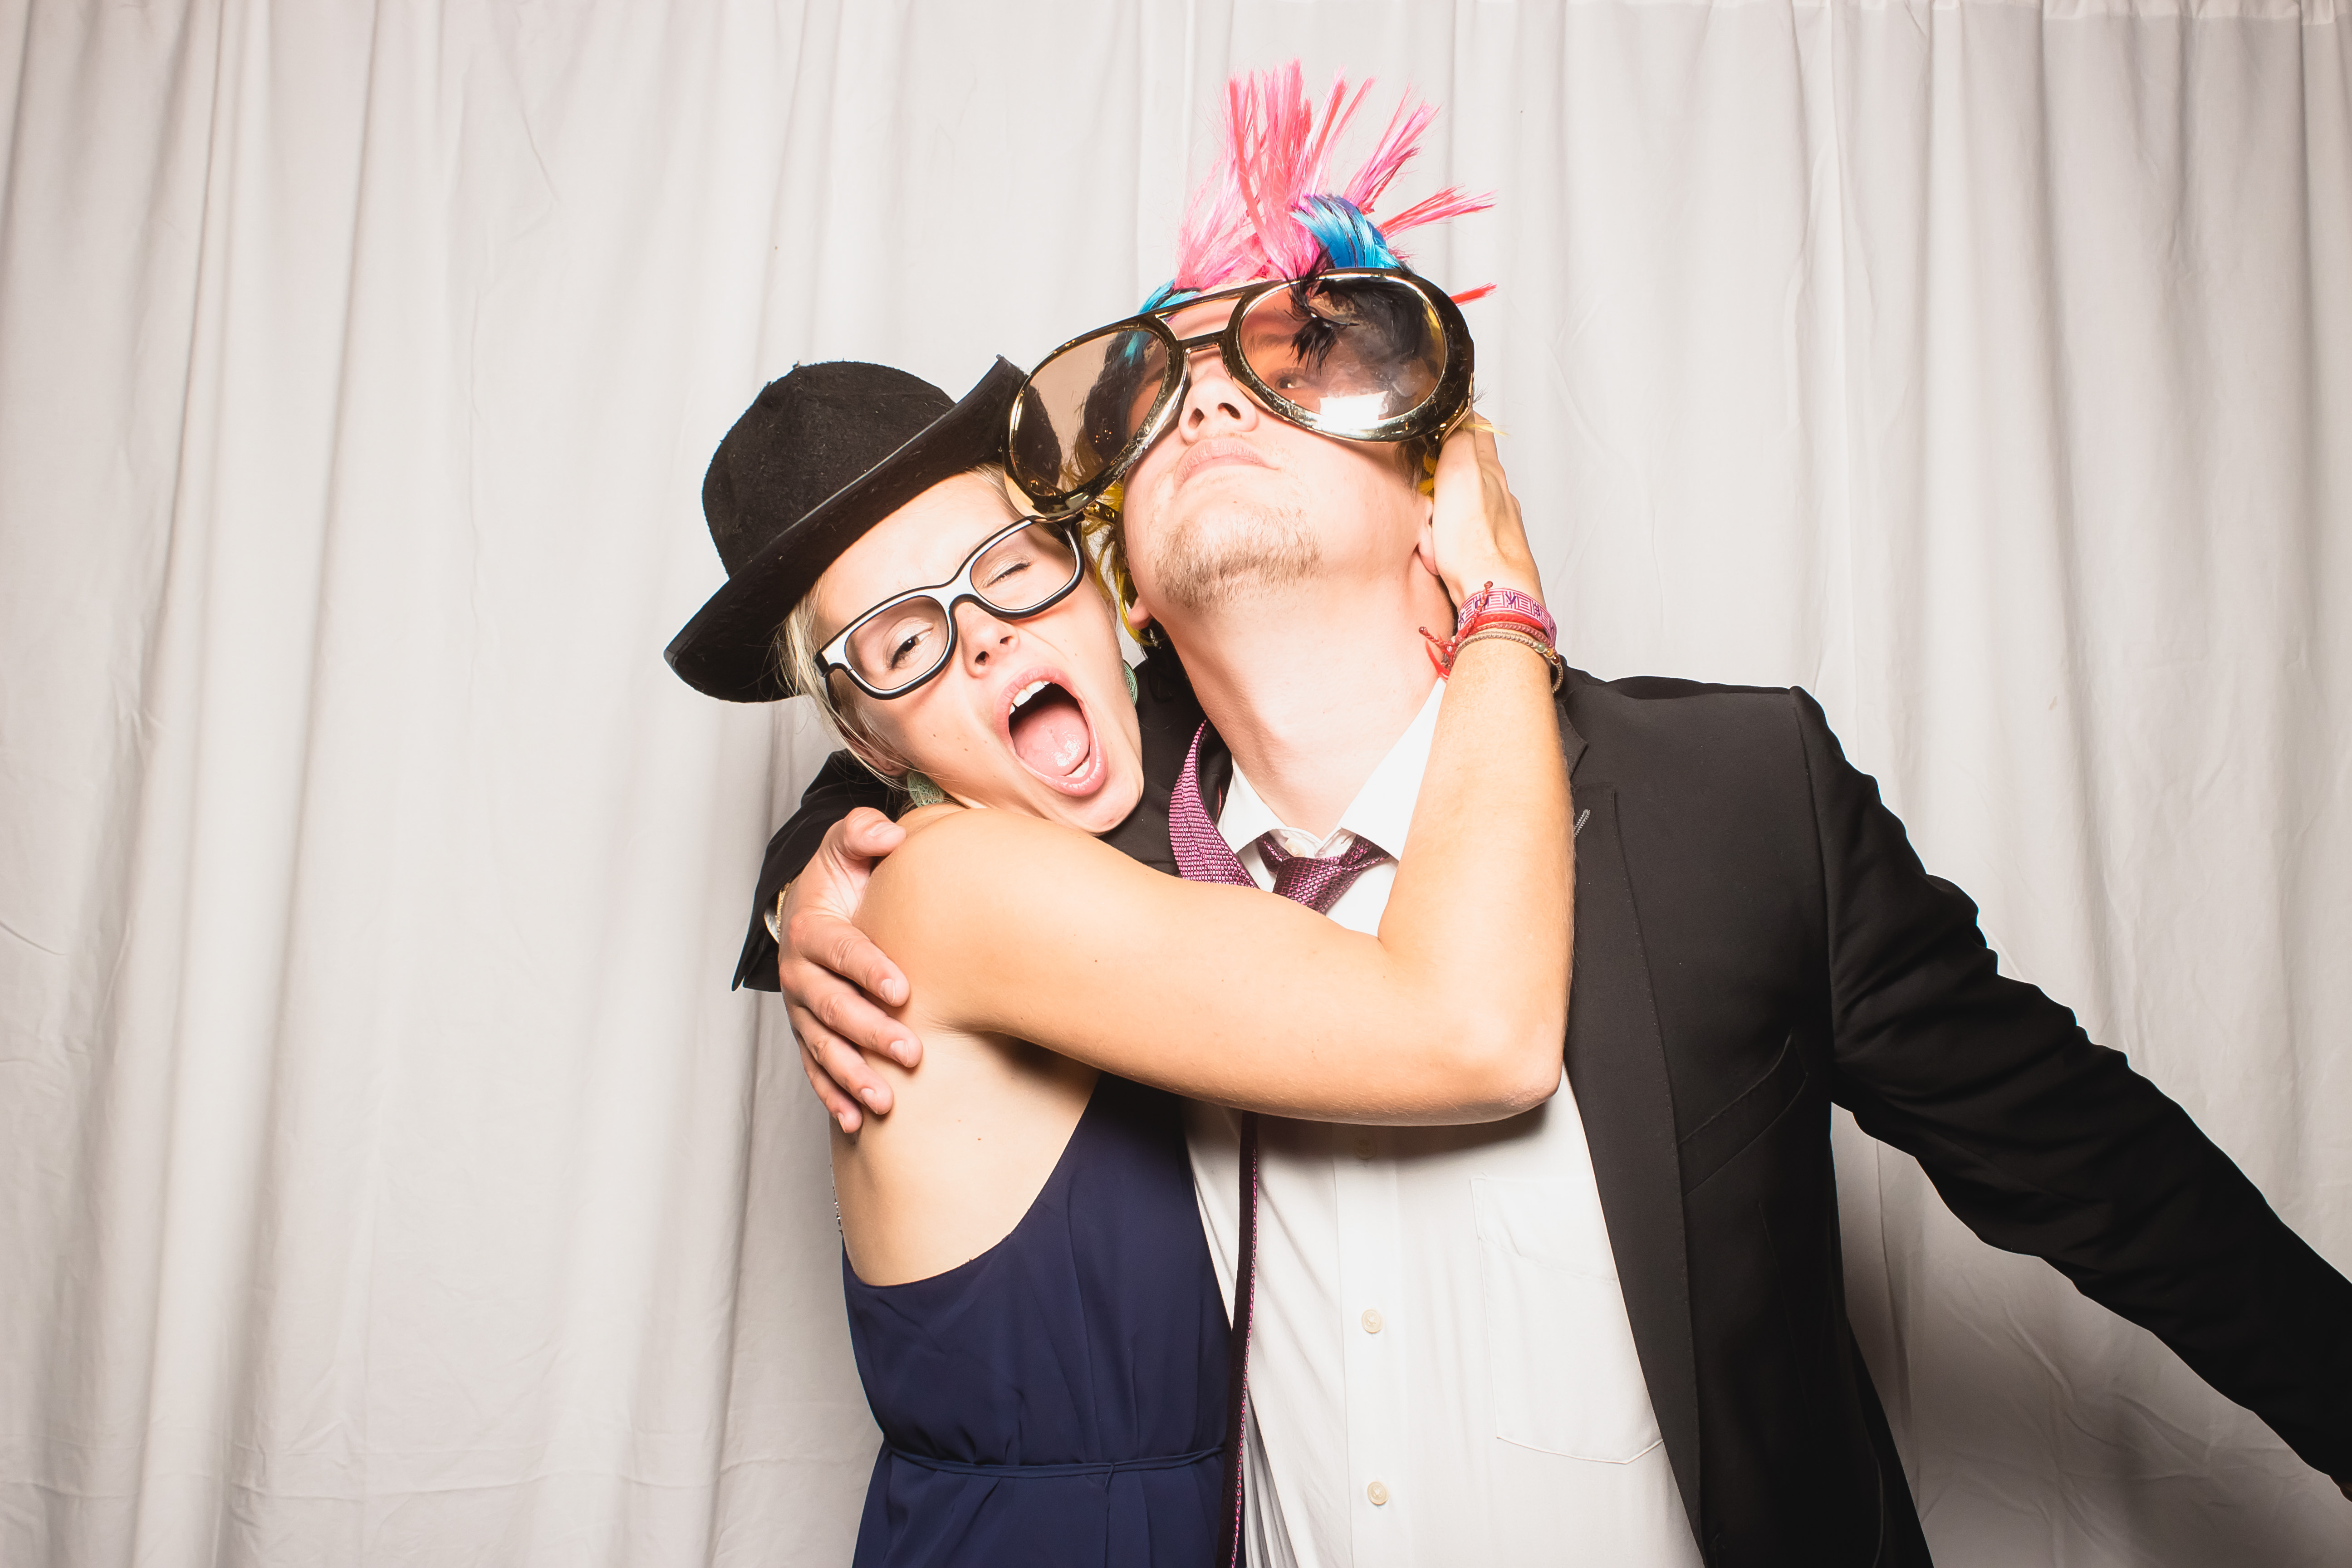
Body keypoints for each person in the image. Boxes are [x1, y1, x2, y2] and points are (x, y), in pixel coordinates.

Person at [754, 67, 2352, 1567]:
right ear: (1131, 603)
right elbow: (930, 709)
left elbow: (2101, 1171)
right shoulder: (1080, 836)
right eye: (1165, 396)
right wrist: (809, 882)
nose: (1214, 407)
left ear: (1441, 487)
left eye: (1297, 367)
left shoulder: (1728, 798)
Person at [664, 353, 1576, 1566]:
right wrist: (1502, 601)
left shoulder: (1162, 775)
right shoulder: (952, 885)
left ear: (1099, 582)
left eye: (1008, 569)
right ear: (864, 736)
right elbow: (1476, 1035)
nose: (983, 637)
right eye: (900, 641)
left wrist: (795, 890)